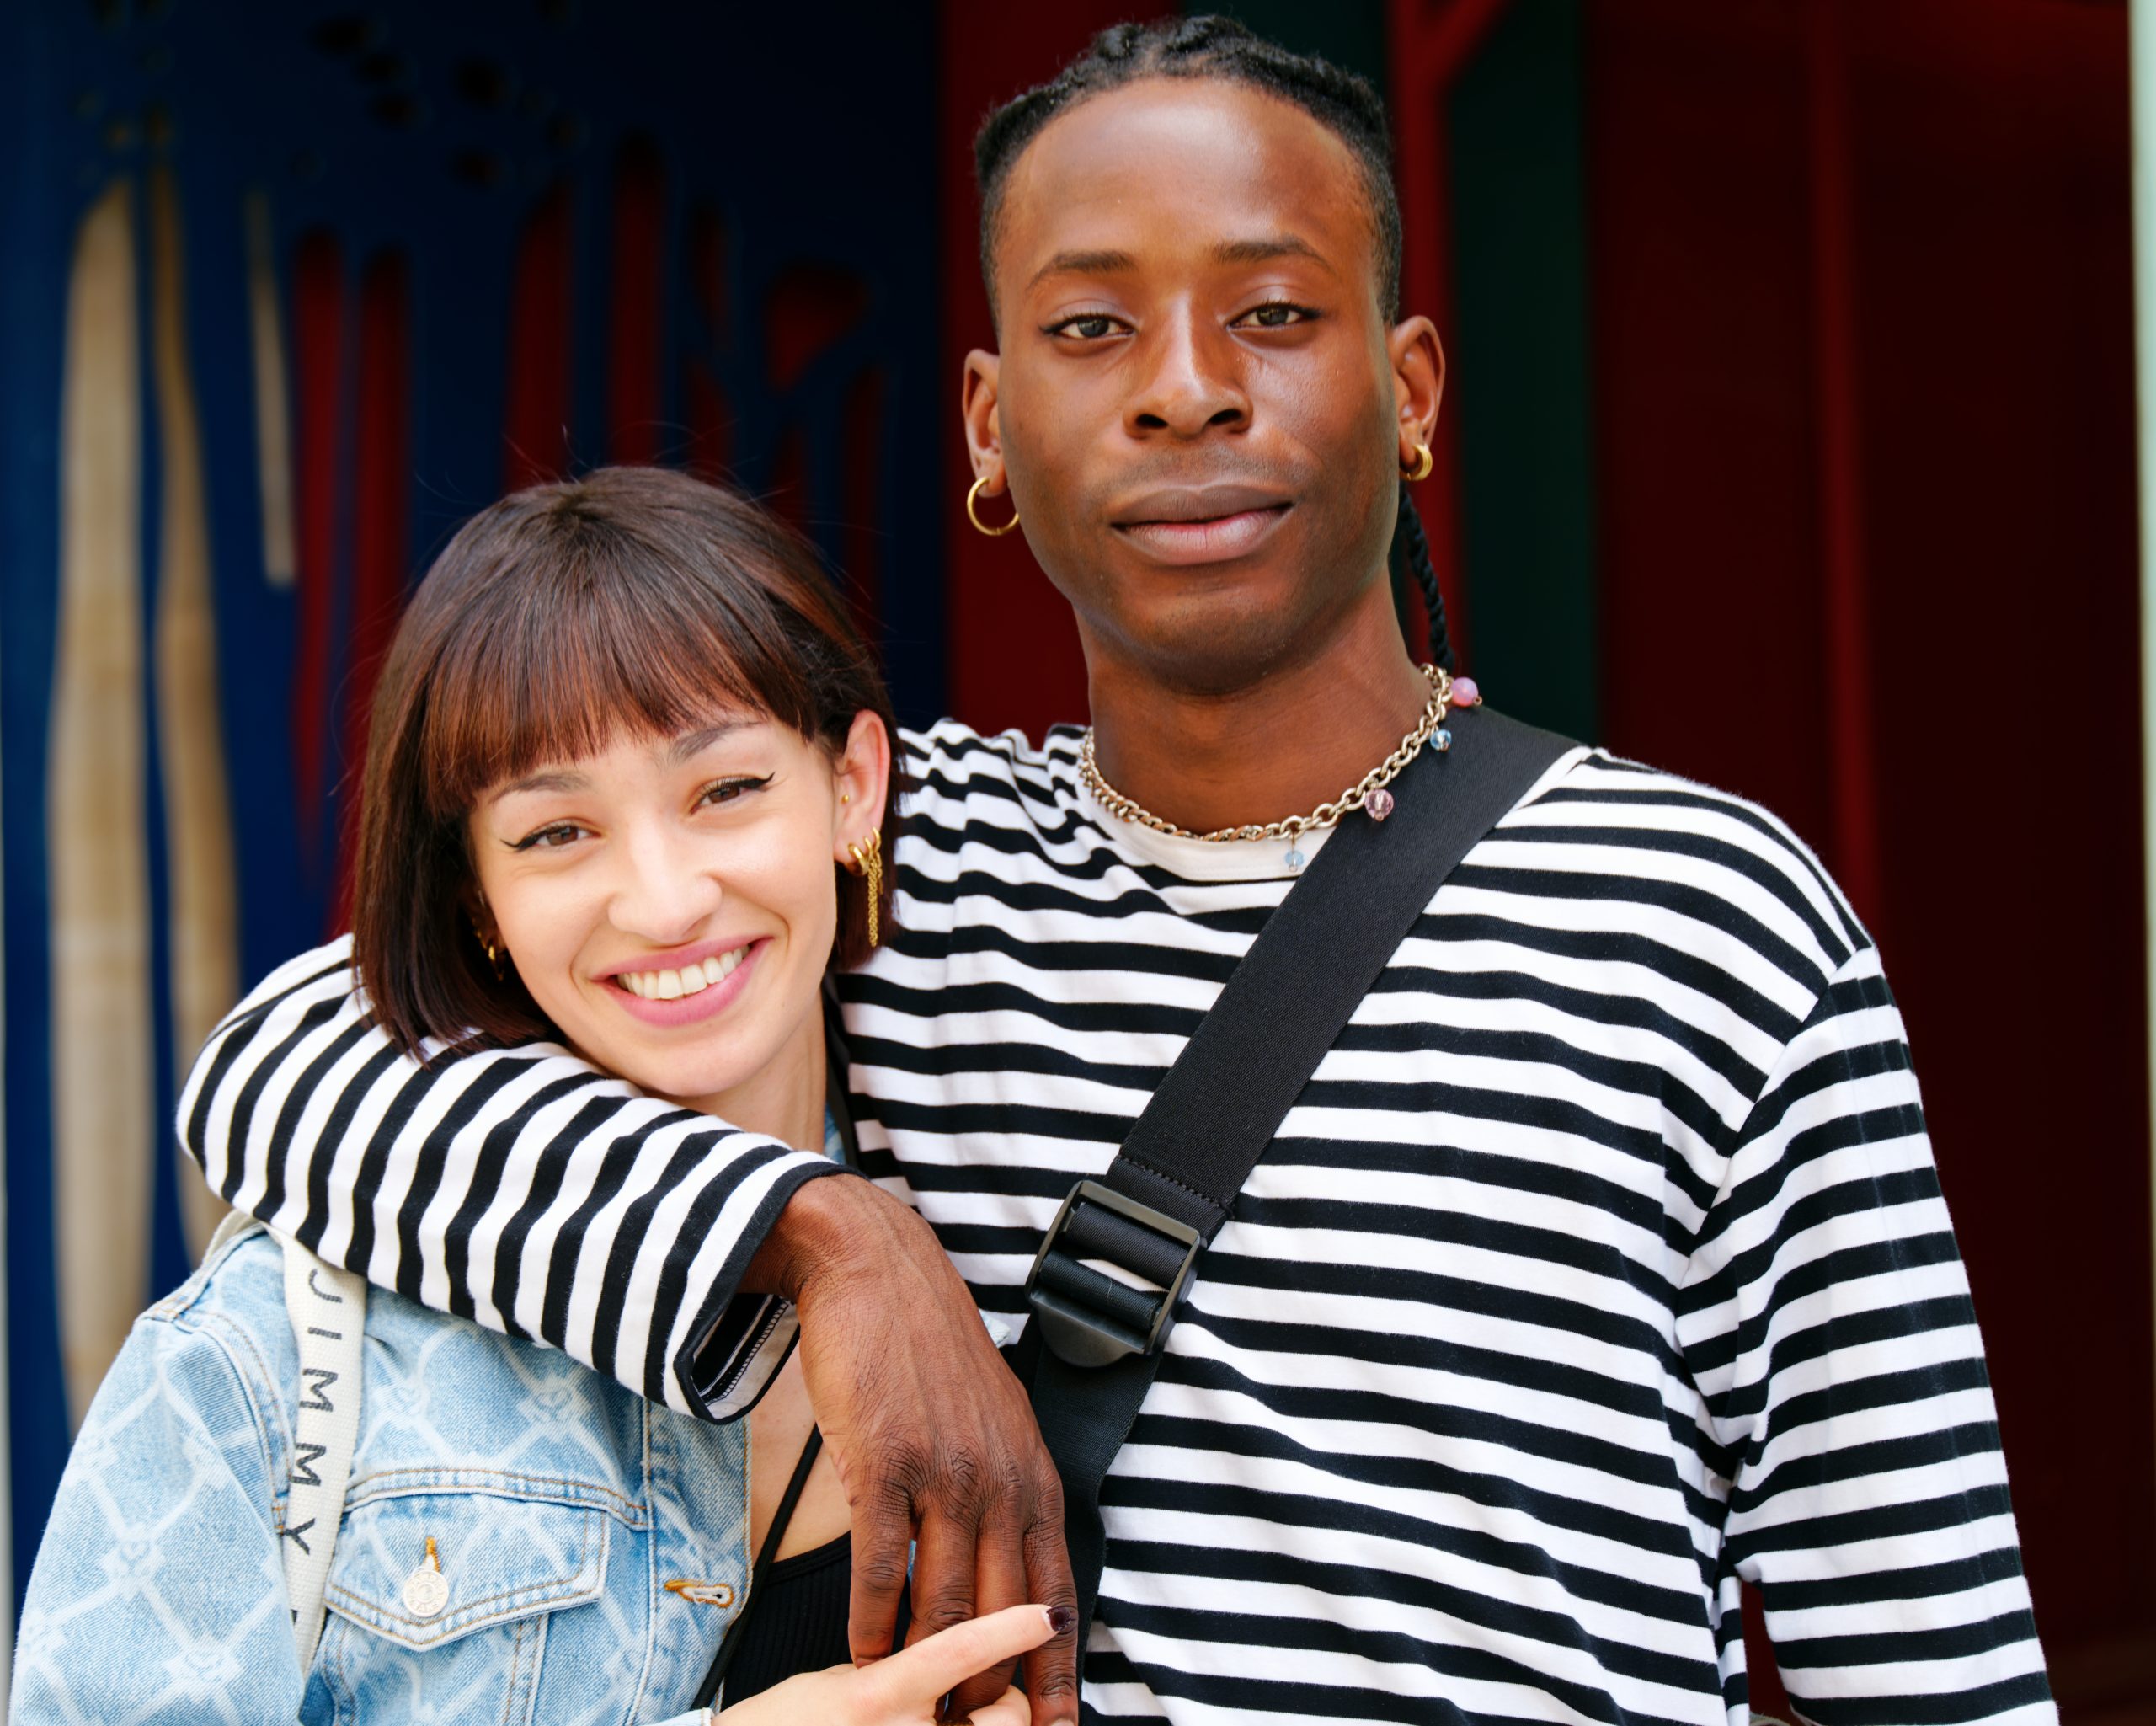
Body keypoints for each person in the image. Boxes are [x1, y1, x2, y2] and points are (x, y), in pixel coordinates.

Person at [173, 18, 2053, 1725]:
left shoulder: (1701, 917)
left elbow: (1929, 1668)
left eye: (1272, 312)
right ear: (991, 429)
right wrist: (830, 1239)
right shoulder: (894, 870)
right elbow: (278, 1064)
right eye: (1090, 330)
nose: (1184, 392)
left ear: (1411, 389)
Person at [11, 468, 1067, 1722]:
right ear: (479, 896)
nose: (664, 901)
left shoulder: (1004, 1185)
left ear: (853, 789)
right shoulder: (267, 1356)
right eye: (558, 833)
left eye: (726, 790)